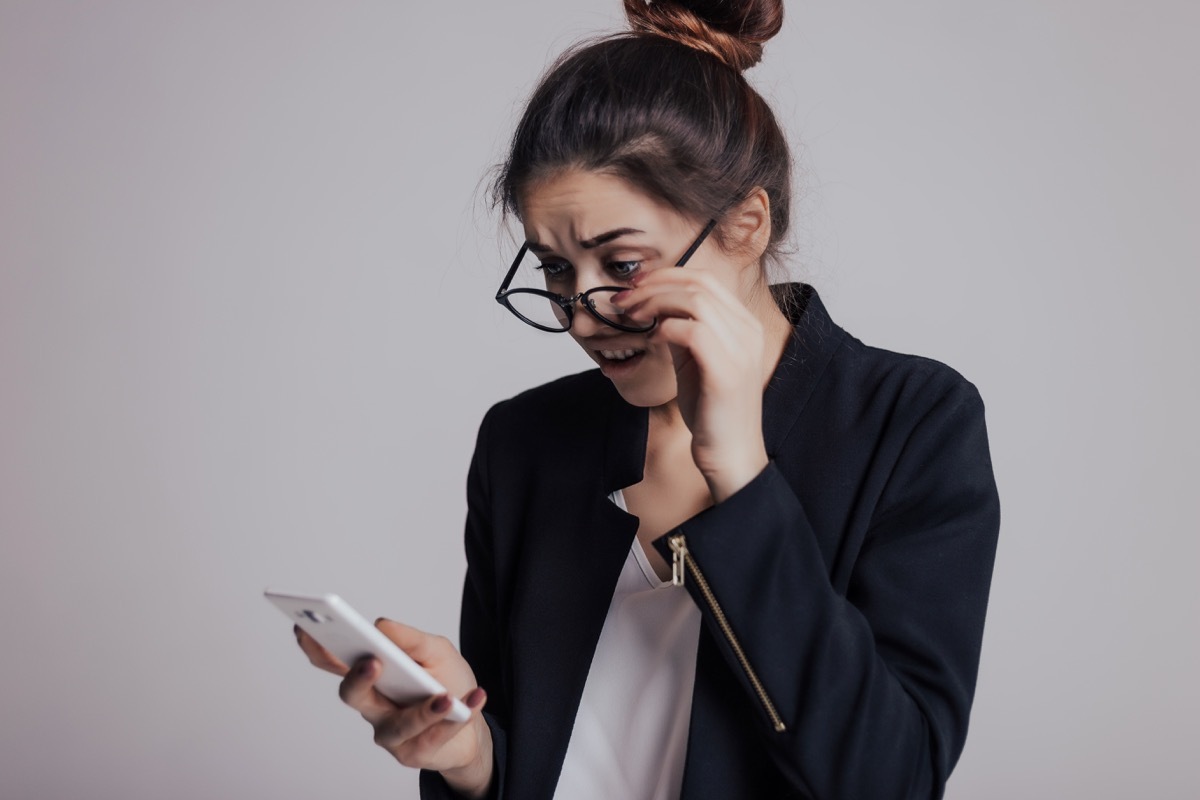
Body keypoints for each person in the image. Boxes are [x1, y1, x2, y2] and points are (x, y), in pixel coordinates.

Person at [295, 1, 1001, 797]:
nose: (584, 315)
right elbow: (545, 757)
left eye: (622, 265)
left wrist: (740, 472)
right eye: (557, 270)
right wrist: (467, 754)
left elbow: (889, 780)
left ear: (745, 225)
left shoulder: (911, 424)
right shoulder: (524, 441)